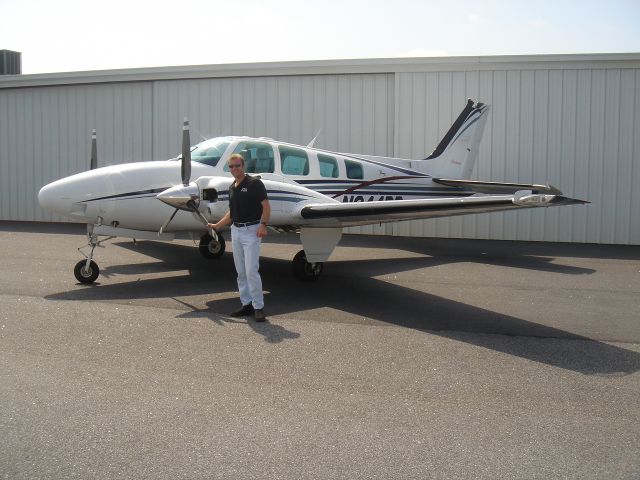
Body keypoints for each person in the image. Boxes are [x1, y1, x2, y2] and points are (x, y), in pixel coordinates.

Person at [209, 153, 270, 321]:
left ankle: (259, 307)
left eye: (237, 165)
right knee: (241, 271)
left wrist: (263, 225)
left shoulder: (254, 183)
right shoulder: (232, 187)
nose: (234, 169)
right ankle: (246, 304)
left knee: (251, 270)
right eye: (231, 166)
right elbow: (231, 213)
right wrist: (217, 226)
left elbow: (265, 205)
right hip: (236, 231)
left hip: (252, 231)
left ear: (243, 166)